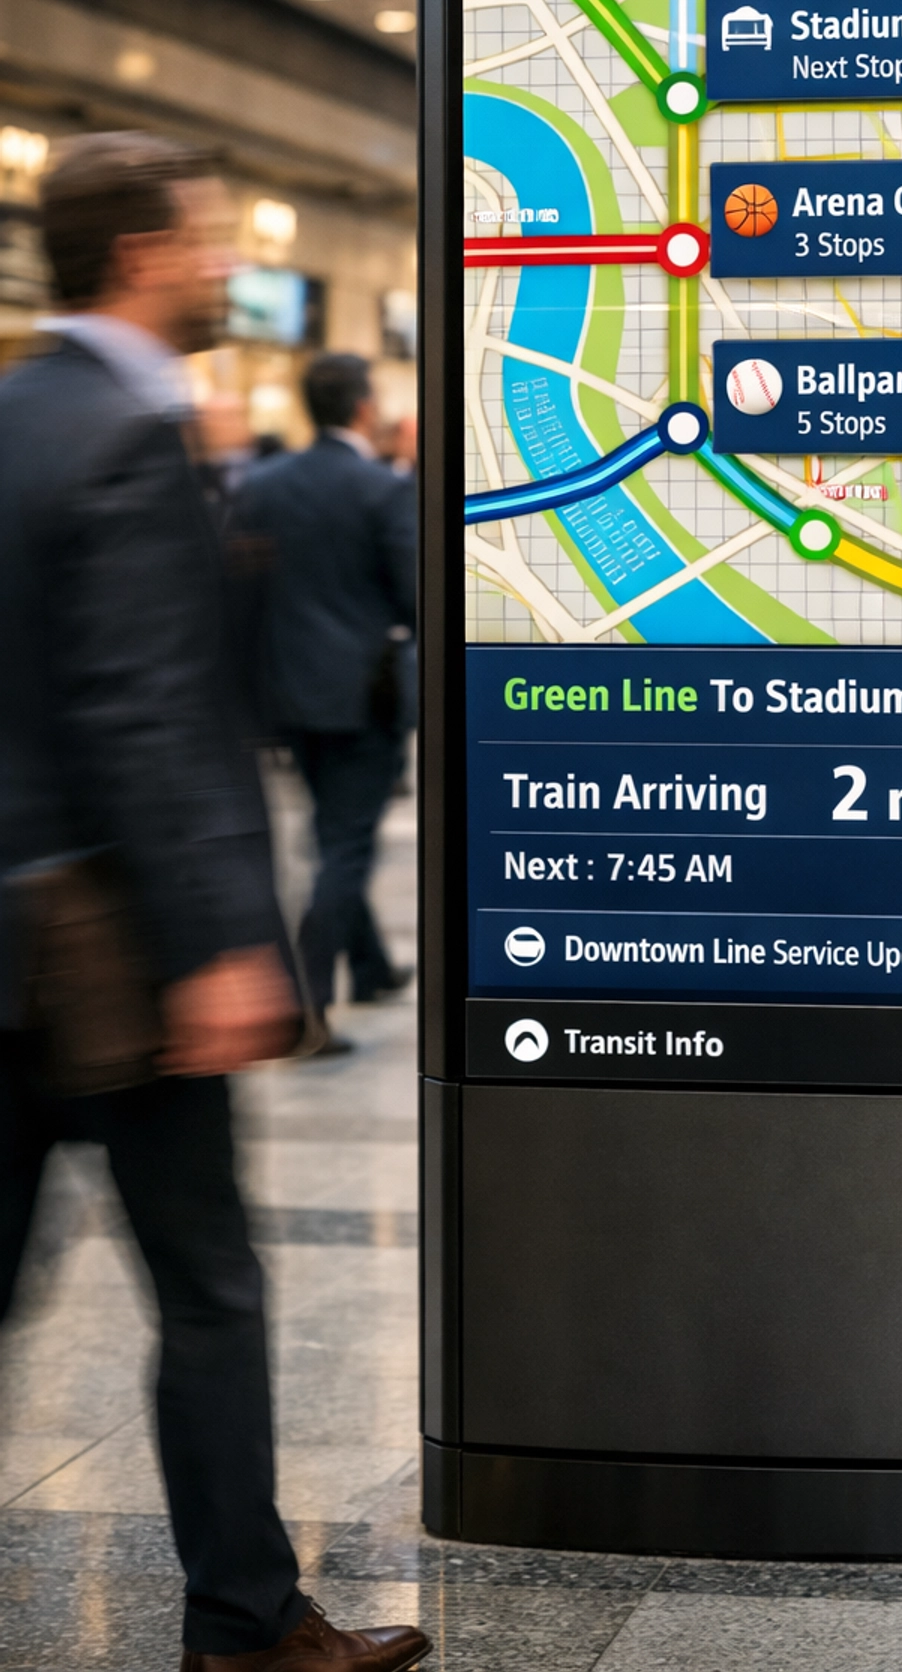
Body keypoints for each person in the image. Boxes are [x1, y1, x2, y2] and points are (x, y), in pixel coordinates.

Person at [0, 132, 429, 1672]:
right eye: (207, 240)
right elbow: (143, 713)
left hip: (19, 929)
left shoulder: (18, 413)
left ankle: (253, 1614)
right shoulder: (124, 435)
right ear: (139, 254)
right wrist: (216, 947)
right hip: (110, 960)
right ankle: (245, 1626)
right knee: (212, 1289)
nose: (228, 265)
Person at [233, 355, 416, 1048]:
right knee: (345, 846)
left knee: (335, 833)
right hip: (364, 696)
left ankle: (370, 967)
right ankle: (304, 1008)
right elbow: (414, 595)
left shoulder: (263, 484)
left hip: (288, 694)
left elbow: (243, 588)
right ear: (364, 408)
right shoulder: (380, 489)